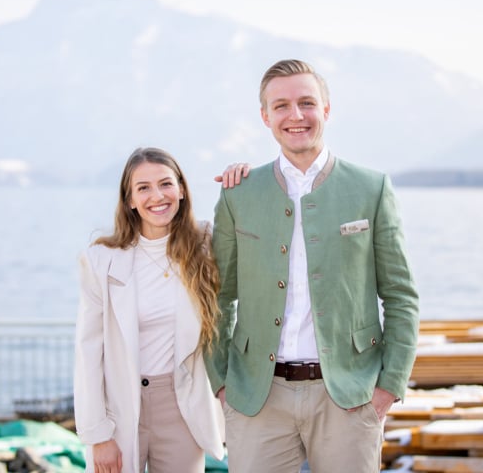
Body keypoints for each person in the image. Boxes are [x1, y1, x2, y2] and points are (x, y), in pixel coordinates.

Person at [206, 59, 420, 473]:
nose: (295, 115)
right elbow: (218, 296)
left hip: (349, 394)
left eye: (307, 102)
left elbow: (400, 294)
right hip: (256, 398)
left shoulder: (371, 188)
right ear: (266, 116)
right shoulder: (239, 193)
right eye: (281, 105)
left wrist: (389, 387)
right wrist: (222, 385)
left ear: (326, 109)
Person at [74, 147, 226, 473]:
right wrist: (98, 434)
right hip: (119, 408)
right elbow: (88, 352)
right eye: (143, 188)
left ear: (182, 189)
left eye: (165, 184)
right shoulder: (101, 260)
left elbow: (253, 234)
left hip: (181, 407)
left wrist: (240, 179)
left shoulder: (205, 244)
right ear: (129, 199)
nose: (157, 196)